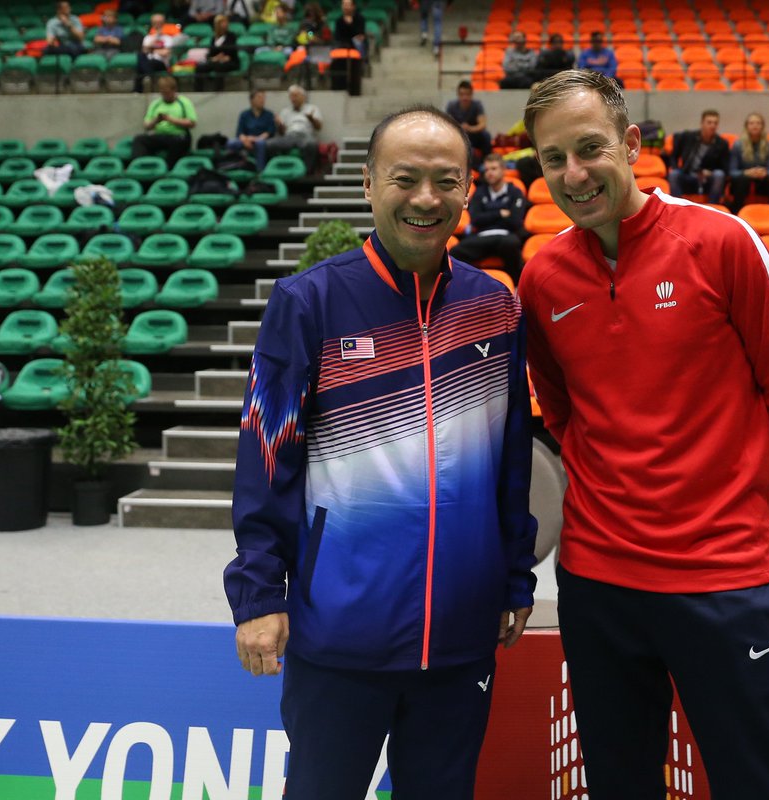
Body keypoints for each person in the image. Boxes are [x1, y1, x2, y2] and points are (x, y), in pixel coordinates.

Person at [520, 70, 769, 799]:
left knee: (756, 784)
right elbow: (562, 410)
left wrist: (729, 490)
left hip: (721, 577)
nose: (574, 173)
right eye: (554, 158)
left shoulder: (724, 242)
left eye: (590, 148)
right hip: (597, 583)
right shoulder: (543, 279)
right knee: (619, 785)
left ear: (630, 144)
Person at [225, 103, 537, 799]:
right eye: (405, 178)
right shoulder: (307, 302)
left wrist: (515, 576)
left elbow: (512, 460)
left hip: (461, 638)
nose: (426, 198)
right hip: (340, 635)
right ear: (368, 184)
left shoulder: (495, 307)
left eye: (446, 181)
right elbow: (267, 460)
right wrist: (257, 592)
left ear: (467, 188)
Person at [451, 153, 528, 284]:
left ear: (503, 170)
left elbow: (515, 221)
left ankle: (516, 286)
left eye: (493, 169)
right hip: (482, 237)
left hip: (506, 236)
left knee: (511, 244)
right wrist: (500, 213)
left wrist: (488, 214)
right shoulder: (479, 192)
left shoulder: (515, 192)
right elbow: (475, 219)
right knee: (455, 252)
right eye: (486, 169)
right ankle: (465, 285)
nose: (489, 173)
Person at [667, 108, 729, 203]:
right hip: (687, 175)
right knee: (674, 174)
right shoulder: (687, 137)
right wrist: (675, 167)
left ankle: (712, 206)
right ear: (702, 123)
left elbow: (725, 169)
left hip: (707, 179)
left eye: (715, 123)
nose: (713, 126)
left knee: (719, 174)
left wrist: (710, 172)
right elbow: (674, 155)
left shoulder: (722, 143)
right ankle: (677, 205)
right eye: (709, 122)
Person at [132, 75, 196, 164]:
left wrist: (170, 119)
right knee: (139, 140)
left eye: (167, 93)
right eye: (162, 93)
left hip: (178, 136)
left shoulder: (184, 102)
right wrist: (156, 120)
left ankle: (169, 166)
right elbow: (146, 125)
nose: (165, 95)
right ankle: (140, 165)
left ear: (174, 90)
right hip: (161, 135)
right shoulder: (155, 104)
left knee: (179, 142)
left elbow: (192, 122)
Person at [265, 84, 322, 171]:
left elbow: (319, 127)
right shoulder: (285, 111)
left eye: (296, 96)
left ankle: (306, 171)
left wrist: (312, 119)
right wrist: (280, 125)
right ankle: (278, 169)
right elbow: (282, 132)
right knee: (269, 144)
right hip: (289, 136)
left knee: (312, 145)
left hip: (305, 136)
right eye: (291, 96)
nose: (293, 99)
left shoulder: (312, 108)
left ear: (303, 97)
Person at [728, 111, 769, 210]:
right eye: (751, 123)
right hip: (742, 181)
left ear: (762, 126)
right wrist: (747, 173)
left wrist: (763, 173)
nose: (755, 126)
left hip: (761, 181)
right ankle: (736, 212)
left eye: (758, 123)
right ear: (746, 126)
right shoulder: (738, 145)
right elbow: (732, 172)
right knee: (742, 180)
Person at [227, 89, 277, 171]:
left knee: (260, 143)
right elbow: (240, 132)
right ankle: (232, 168)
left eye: (263, 98)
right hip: (246, 140)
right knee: (231, 142)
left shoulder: (269, 114)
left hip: (261, 139)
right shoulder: (244, 114)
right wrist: (245, 140)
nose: (262, 100)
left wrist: (256, 139)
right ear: (252, 100)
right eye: (259, 97)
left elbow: (269, 132)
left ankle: (259, 171)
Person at [445, 80, 491, 163]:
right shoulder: (451, 106)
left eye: (467, 94)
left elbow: (482, 124)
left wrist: (469, 128)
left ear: (471, 94)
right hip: (457, 135)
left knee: (486, 136)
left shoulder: (477, 105)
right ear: (458, 94)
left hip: (473, 135)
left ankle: (487, 161)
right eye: (462, 94)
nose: (465, 97)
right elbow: (446, 124)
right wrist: (460, 128)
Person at [135, 13, 183, 92]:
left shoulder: (168, 38)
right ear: (152, 24)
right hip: (148, 61)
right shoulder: (148, 38)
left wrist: (151, 50)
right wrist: (156, 36)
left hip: (161, 63)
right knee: (140, 57)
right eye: (155, 23)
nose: (157, 25)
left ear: (163, 23)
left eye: (159, 23)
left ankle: (140, 86)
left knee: (142, 66)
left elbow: (165, 53)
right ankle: (148, 77)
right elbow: (144, 51)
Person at [193, 13, 239, 91]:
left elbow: (232, 51)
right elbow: (211, 52)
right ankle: (198, 91)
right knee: (200, 68)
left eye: (226, 22)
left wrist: (224, 57)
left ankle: (218, 91)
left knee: (219, 67)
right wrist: (214, 58)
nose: (225, 24)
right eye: (222, 22)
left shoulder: (231, 36)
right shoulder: (214, 38)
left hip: (230, 61)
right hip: (215, 61)